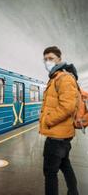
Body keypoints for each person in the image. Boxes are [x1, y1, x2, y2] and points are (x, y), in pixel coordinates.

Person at [39, 46, 79, 195]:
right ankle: (73, 192)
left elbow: (68, 106)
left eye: (51, 58)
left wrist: (48, 120)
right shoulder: (57, 77)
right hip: (62, 135)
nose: (47, 62)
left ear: (59, 60)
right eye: (45, 59)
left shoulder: (64, 78)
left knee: (49, 173)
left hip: (57, 136)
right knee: (65, 165)